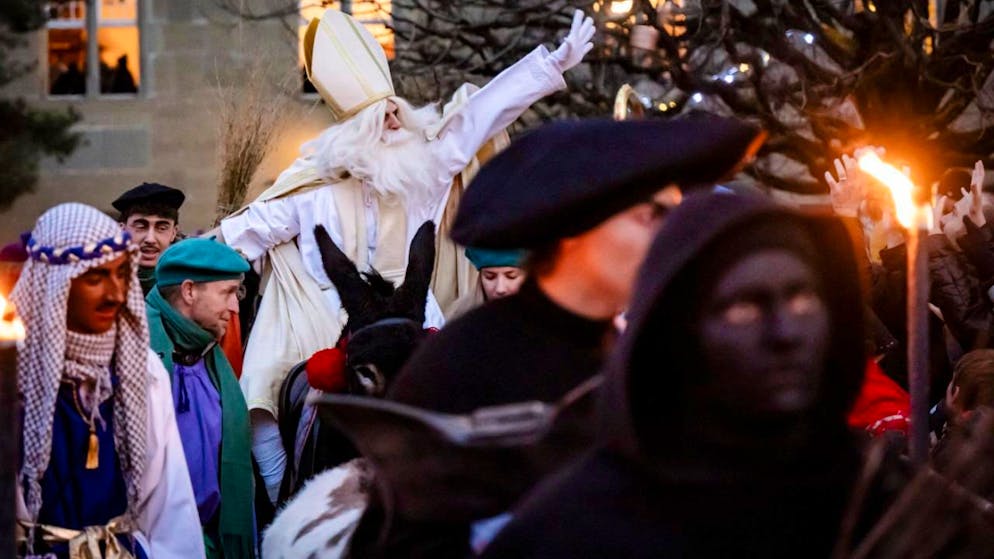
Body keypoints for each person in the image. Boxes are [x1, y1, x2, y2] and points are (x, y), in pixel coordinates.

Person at [217, 7, 596, 501]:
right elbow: (246, 232)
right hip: (320, 312)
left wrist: (549, 66)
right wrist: (183, 260)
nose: (397, 120)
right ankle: (280, 494)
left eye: (397, 110)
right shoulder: (310, 190)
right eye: (385, 116)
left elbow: (478, 118)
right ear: (357, 132)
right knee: (263, 397)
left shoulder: (424, 169)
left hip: (409, 311)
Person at [347, 116, 763, 557]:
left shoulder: (641, 359)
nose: (671, 235)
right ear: (574, 230)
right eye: (652, 215)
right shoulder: (461, 363)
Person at [481, 192, 872, 558]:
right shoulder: (577, 527)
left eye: (803, 299)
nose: (785, 333)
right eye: (745, 308)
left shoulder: (879, 496)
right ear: (677, 331)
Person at [13, 203, 203, 558]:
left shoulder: (141, 370)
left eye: (120, 274)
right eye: (95, 278)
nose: (115, 294)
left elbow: (168, 505)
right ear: (56, 284)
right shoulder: (13, 376)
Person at [145, 238, 254, 558]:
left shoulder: (210, 360)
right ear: (190, 291)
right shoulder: (137, 362)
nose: (235, 306)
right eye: (228, 293)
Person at [112, 182, 185, 296]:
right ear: (122, 230)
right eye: (141, 227)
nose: (150, 239)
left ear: (173, 233)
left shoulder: (189, 281)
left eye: (161, 228)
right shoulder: (104, 279)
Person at [446, 247, 526, 318]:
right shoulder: (459, 316)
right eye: (490, 277)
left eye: (511, 276)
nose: (500, 289)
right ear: (480, 278)